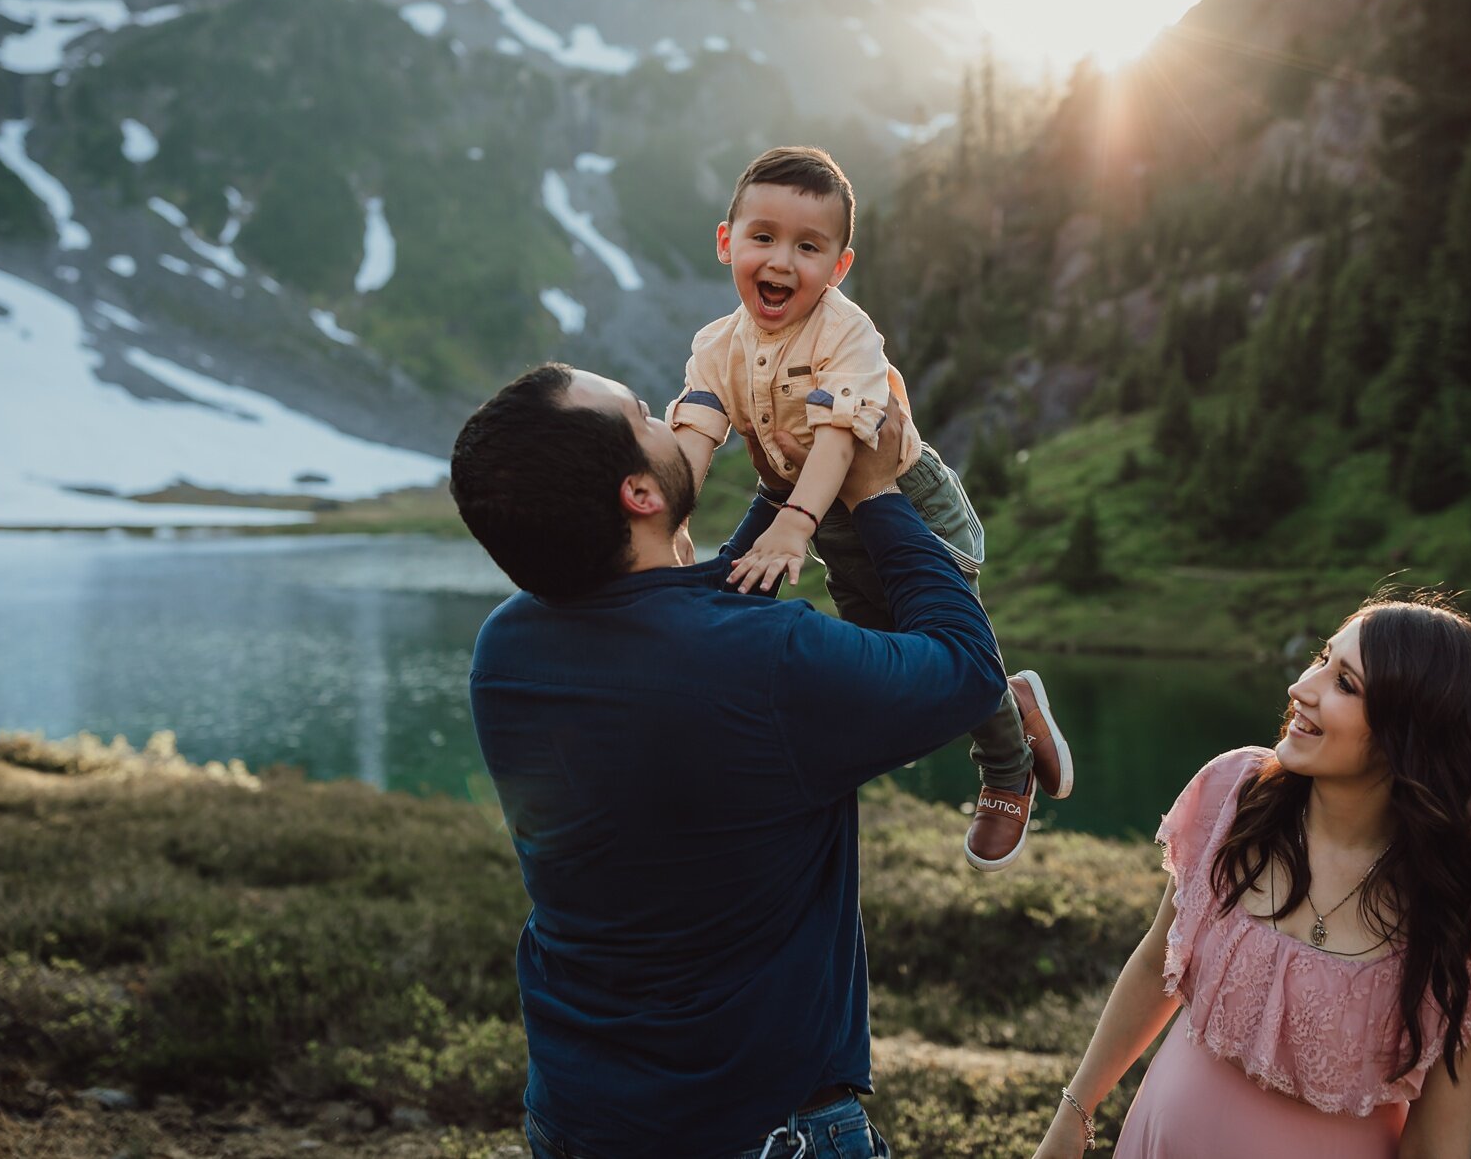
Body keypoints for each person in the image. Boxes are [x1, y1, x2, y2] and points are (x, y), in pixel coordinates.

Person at [451, 362, 1060, 1158]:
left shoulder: (507, 648)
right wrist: (874, 492)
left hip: (578, 1114)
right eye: (645, 416)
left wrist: (780, 502)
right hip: (763, 1129)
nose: (672, 419)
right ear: (640, 493)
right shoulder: (768, 663)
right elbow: (964, 668)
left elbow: (688, 628)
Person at [667, 145, 1074, 870]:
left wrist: (795, 522)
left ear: (839, 265)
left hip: (907, 503)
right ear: (727, 241)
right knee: (899, 669)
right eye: (763, 237)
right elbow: (697, 427)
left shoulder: (846, 331)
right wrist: (673, 519)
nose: (782, 262)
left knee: (947, 651)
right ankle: (1013, 699)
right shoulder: (715, 346)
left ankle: (1007, 764)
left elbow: (840, 433)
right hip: (828, 522)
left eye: (809, 246)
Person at [1031, 595, 1471, 1159]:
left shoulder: (1467, 927)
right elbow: (1159, 963)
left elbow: (1435, 1149)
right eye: (1322, 660)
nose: (1302, 688)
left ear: (1416, 734)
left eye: (1345, 684)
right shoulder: (1235, 799)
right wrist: (1072, 1117)